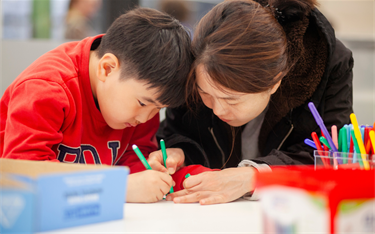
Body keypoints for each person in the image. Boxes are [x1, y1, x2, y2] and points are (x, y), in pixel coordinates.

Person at [151, 0, 354, 205]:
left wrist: (255, 176)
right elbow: (174, 133)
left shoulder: (329, 64)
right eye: (205, 93)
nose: (218, 109)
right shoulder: (197, 60)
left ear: (276, 81)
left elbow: (331, 156)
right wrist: (179, 151)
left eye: (232, 99)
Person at [0, 7, 193, 203]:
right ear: (107, 68)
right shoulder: (46, 88)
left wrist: (178, 177)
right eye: (143, 103)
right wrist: (117, 189)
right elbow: (23, 175)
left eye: (159, 109)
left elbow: (135, 166)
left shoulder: (137, 95)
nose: (145, 118)